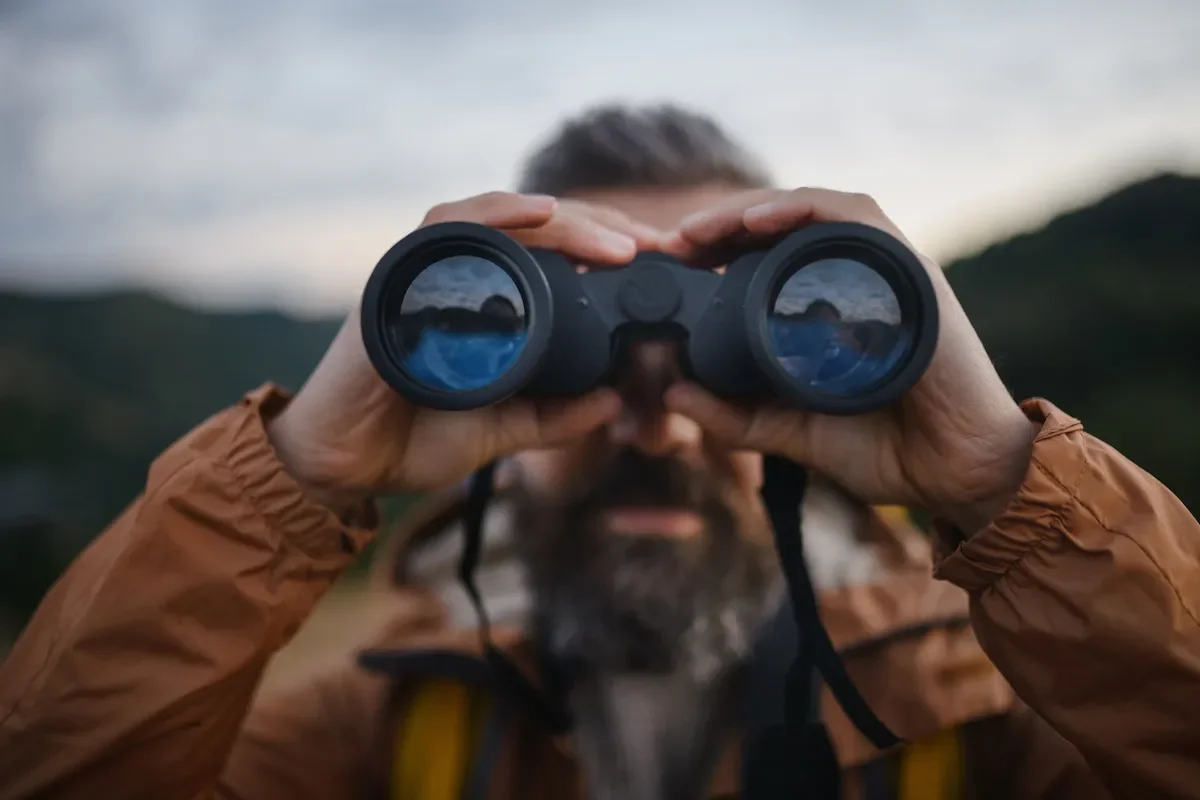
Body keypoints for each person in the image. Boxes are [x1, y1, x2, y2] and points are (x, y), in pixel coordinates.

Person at [1, 104, 1199, 800]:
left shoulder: (998, 725)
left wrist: (999, 472)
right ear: (502, 429)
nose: (656, 411)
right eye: (558, 337)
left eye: (723, 342)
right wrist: (299, 468)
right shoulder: (371, 736)